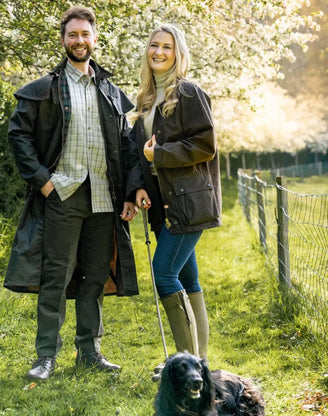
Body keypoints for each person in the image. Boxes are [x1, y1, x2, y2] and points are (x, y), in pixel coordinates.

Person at [4, 5, 141, 380]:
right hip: (62, 195)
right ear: (63, 40)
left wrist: (131, 192)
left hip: (104, 198)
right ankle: (45, 356)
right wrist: (43, 180)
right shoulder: (46, 89)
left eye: (85, 34)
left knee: (95, 276)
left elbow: (128, 145)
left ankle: (89, 353)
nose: (79, 41)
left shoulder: (111, 92)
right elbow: (18, 135)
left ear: (95, 38)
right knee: (56, 276)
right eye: (72, 35)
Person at [128, 23, 222, 378]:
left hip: (189, 202)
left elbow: (205, 145)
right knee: (188, 277)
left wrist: (161, 155)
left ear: (178, 53)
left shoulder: (189, 92)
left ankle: (186, 365)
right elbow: (141, 154)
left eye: (167, 47)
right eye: (154, 45)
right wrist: (138, 185)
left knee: (164, 274)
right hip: (163, 201)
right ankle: (198, 362)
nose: (159, 52)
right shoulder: (146, 99)